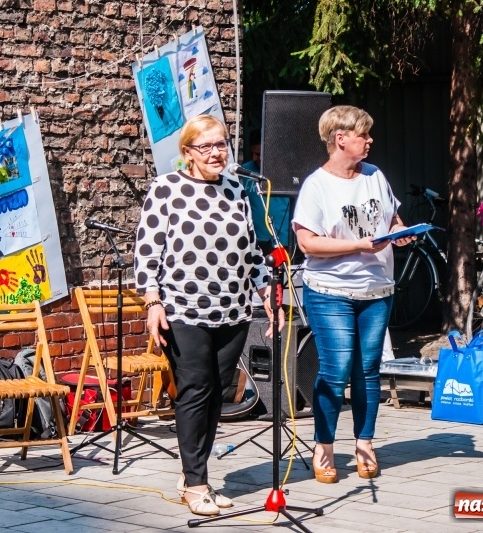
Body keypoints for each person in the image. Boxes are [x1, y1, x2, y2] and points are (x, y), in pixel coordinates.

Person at [134, 114, 283, 516]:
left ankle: (193, 474)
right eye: (207, 146)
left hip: (233, 310)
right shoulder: (167, 188)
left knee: (217, 392)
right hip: (184, 309)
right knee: (195, 389)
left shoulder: (236, 189)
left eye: (221, 144)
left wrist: (267, 294)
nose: (217, 153)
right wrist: (152, 302)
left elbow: (251, 251)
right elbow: (147, 251)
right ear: (188, 152)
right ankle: (196, 482)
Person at [291, 105, 414, 483]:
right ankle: (324, 446)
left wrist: (401, 231)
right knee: (336, 368)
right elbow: (307, 243)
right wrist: (358, 245)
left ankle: (365, 444)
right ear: (341, 139)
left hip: (376, 290)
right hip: (331, 291)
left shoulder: (375, 175)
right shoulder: (316, 185)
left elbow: (392, 218)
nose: (370, 140)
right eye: (364, 134)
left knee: (367, 370)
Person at [240, 129, 291, 255]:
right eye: (253, 153)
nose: (254, 158)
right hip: (254, 239)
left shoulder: (287, 171)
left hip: (282, 239)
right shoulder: (245, 171)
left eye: (259, 154)